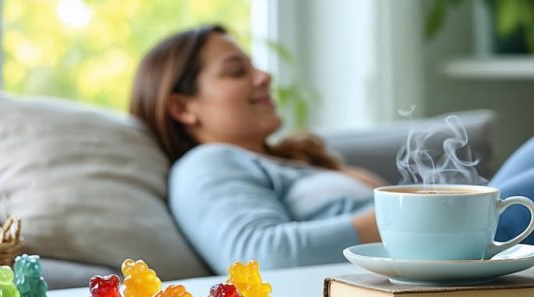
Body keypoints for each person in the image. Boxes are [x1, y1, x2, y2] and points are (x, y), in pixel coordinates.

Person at [130, 24, 534, 274]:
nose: (264, 76)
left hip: (460, 244)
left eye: (255, 65)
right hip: (451, 250)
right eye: (237, 72)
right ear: (183, 107)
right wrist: (414, 214)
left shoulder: (292, 162)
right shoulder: (208, 163)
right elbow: (255, 257)